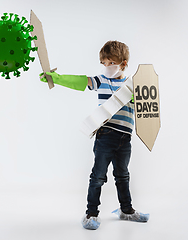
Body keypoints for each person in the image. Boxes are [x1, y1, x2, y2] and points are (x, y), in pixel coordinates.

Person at [40, 40, 149, 230]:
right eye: (104, 64)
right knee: (98, 176)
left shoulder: (133, 86)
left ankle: (127, 210)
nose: (107, 67)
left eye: (111, 63)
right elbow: (81, 81)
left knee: (123, 175)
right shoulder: (101, 81)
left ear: (123, 63)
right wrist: (56, 78)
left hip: (125, 138)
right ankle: (91, 214)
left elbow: (147, 106)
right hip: (105, 136)